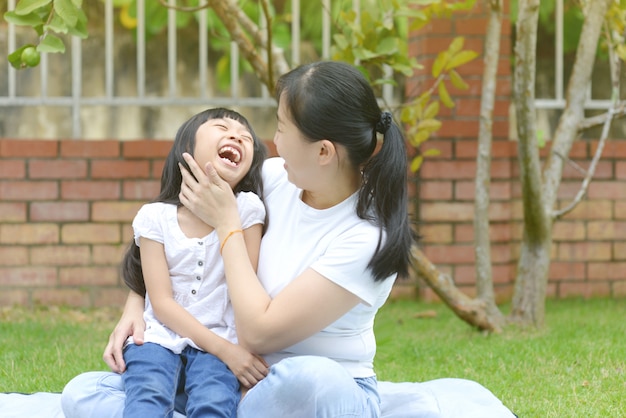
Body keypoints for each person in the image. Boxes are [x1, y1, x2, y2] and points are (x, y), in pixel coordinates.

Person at [61, 61, 516, 418]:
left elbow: (258, 330)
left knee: (310, 380)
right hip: (229, 375)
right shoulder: (276, 178)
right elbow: (173, 220)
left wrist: (228, 227)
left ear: (323, 152)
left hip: (316, 394)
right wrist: (137, 302)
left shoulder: (364, 239)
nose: (271, 141)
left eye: (281, 128)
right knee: (83, 394)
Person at [116, 107, 269, 418]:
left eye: (246, 137)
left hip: (223, 338)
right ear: (186, 149)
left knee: (214, 403)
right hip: (159, 337)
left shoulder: (248, 210)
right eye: (221, 127)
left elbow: (245, 284)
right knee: (147, 398)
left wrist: (226, 351)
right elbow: (161, 303)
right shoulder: (154, 218)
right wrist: (229, 353)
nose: (236, 136)